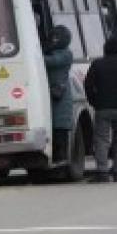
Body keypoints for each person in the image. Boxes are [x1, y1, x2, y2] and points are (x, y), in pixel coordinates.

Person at [84, 36, 117, 183]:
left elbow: (88, 85)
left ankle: (102, 172)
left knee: (101, 140)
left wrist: (94, 102)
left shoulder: (97, 65)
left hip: (103, 108)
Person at [43, 25, 75, 168]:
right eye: (52, 37)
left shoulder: (66, 54)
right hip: (52, 96)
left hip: (60, 98)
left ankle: (61, 159)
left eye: (57, 38)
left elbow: (51, 61)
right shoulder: (53, 51)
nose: (54, 40)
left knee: (60, 130)